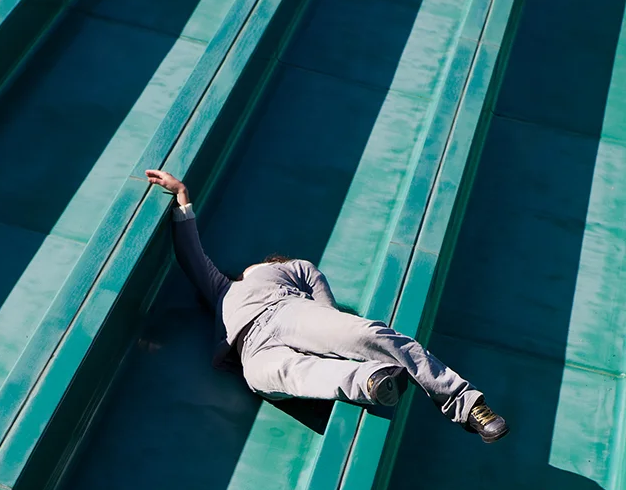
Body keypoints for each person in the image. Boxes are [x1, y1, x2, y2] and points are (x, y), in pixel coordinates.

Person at [146, 169, 509, 443]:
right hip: (252, 349)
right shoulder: (220, 290)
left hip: (288, 313)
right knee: (276, 376)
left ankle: (464, 402)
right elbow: (192, 257)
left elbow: (312, 278)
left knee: (367, 334)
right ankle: (369, 381)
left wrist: (329, 321)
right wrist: (182, 196)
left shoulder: (275, 272)